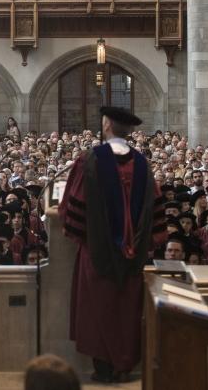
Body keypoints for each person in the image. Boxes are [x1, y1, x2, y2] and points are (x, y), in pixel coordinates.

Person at [60, 106, 158, 384]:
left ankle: (104, 368)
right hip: (133, 256)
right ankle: (124, 365)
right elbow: (155, 210)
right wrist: (136, 245)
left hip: (97, 252)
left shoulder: (89, 160)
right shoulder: (143, 164)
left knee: (97, 308)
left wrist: (81, 232)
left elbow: (72, 207)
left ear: (106, 126)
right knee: (127, 309)